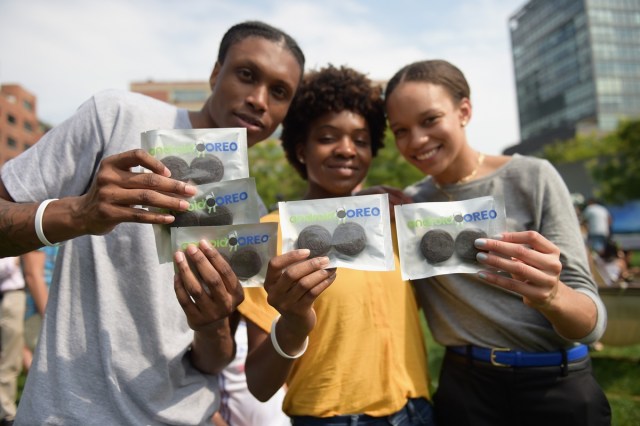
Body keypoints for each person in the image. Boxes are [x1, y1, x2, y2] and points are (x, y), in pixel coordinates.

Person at [0, 20, 304, 424]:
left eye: (279, 92)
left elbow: (213, 361)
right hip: (69, 413)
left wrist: (211, 323)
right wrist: (80, 213)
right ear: (216, 73)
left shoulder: (252, 205)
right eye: (247, 75)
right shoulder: (118, 117)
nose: (259, 100)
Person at [175, 65, 435, 425]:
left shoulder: (392, 224)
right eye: (328, 137)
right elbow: (260, 385)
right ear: (301, 149)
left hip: (418, 411)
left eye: (360, 140)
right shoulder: (267, 237)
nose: (346, 150)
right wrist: (294, 321)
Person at [383, 59, 611, 425]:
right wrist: (371, 207)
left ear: (464, 111)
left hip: (556, 384)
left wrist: (552, 295)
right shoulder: (411, 204)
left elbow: (592, 324)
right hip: (466, 389)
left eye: (429, 120)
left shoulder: (532, 177)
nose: (416, 141)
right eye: (401, 130)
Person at [20, 246, 58, 371]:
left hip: (49, 310)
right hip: (38, 313)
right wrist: (52, 320)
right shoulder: (42, 228)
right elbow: (33, 274)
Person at [0, 257, 26, 426]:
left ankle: (7, 414)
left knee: (11, 359)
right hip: (8, 294)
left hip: (11, 295)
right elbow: (10, 265)